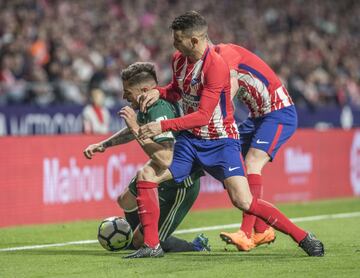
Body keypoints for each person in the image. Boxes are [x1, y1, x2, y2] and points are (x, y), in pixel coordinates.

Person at [133, 11, 324, 258]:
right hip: (190, 142)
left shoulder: (216, 66)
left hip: (221, 143)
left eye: (178, 39)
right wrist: (159, 92)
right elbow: (177, 90)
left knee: (243, 201)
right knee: (146, 174)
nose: (174, 43)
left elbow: (203, 115)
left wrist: (163, 125)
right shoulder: (178, 59)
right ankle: (152, 246)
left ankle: (302, 237)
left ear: (194, 40)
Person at [83, 62, 210, 255]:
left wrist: (135, 127)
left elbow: (165, 158)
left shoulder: (160, 108)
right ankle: (139, 237)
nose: (124, 97)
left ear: (144, 89)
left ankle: (194, 245)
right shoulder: (147, 104)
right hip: (161, 172)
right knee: (125, 201)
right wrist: (103, 145)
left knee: (141, 239)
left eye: (127, 92)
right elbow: (134, 130)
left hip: (180, 182)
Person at [214, 43, 298, 251]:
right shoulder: (206, 63)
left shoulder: (223, 53)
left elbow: (229, 89)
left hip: (278, 112)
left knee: (252, 162)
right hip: (256, 117)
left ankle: (245, 233)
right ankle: (261, 230)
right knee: (230, 159)